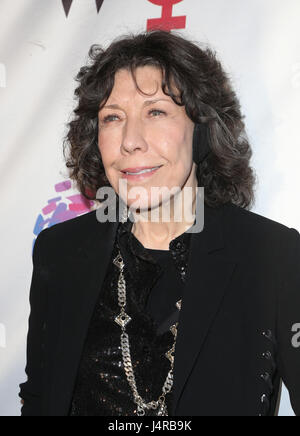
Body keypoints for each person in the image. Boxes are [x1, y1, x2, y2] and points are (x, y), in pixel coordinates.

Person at [19, 29, 300, 416]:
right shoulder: (61, 252)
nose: (130, 141)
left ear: (200, 128)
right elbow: (39, 399)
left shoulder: (272, 256)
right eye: (113, 117)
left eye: (156, 112)